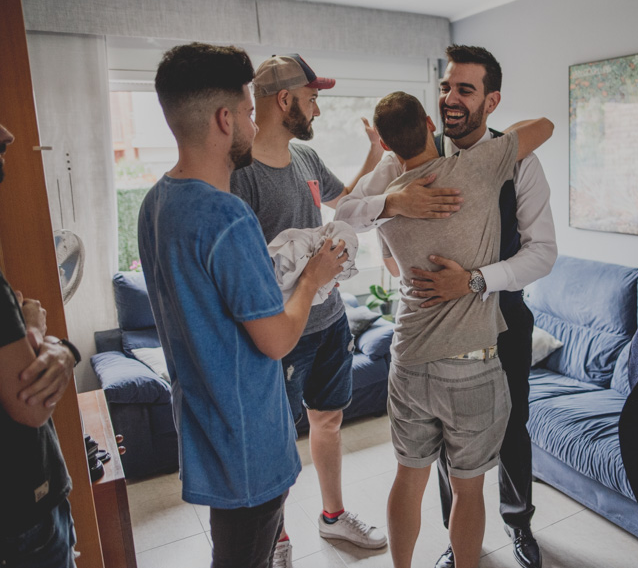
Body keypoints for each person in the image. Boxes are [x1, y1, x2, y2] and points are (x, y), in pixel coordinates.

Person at [335, 45, 556, 568]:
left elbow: (542, 253)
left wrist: (477, 281)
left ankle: (518, 523)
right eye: (444, 87)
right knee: (441, 459)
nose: (450, 98)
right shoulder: (406, 155)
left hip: (500, 311)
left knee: (511, 428)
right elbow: (346, 209)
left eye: (464, 89)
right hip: (432, 331)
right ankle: (461, 547)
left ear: (491, 100)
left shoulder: (515, 159)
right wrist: (393, 201)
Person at [138, 43, 347, 568]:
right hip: (248, 437)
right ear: (225, 119)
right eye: (250, 113)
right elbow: (276, 339)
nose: (255, 124)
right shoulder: (229, 218)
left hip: (206, 425)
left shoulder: (155, 202)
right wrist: (313, 278)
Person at [230, 54, 387, 562]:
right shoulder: (241, 173)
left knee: (329, 421)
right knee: (275, 443)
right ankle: (274, 535)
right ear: (284, 100)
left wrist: (376, 155)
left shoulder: (305, 160)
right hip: (282, 332)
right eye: (312, 98)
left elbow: (345, 203)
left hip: (329, 319)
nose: (317, 110)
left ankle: (334, 519)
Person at [1, 122, 81, 567]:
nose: (8, 135)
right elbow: (31, 399)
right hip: (20, 514)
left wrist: (33, 337)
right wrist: (54, 343)